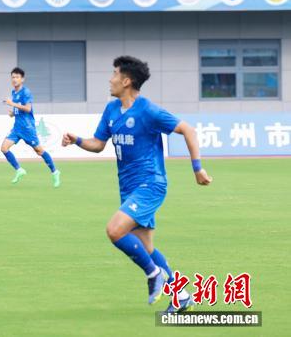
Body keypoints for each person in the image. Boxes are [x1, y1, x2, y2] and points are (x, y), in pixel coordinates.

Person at [61, 56, 212, 313]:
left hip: (150, 184)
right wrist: (77, 140)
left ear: (126, 81)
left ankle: (153, 274)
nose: (110, 79)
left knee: (114, 230)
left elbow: (189, 130)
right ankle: (182, 296)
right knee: (146, 247)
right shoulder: (111, 110)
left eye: (114, 74)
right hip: (129, 188)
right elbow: (98, 145)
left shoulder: (148, 111)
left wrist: (197, 168)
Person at [1, 68, 61, 187]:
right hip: (17, 128)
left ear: (22, 79)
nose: (14, 79)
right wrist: (13, 113)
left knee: (39, 151)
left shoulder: (26, 92)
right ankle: (19, 170)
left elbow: (28, 108)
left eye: (17, 77)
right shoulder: (14, 92)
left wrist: (12, 104)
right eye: (13, 77)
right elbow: (19, 108)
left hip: (28, 128)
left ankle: (55, 172)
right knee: (4, 148)